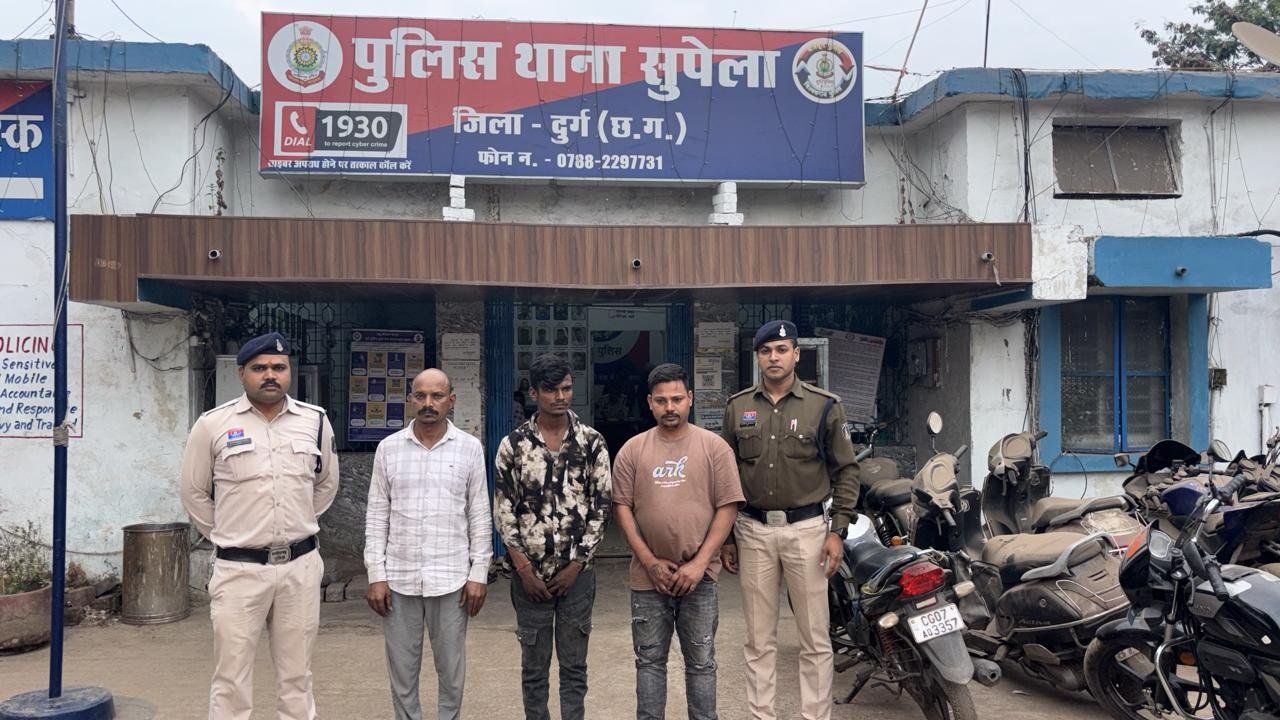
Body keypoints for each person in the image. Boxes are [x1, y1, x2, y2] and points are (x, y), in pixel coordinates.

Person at [180, 331, 339, 720]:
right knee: (231, 679)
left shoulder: (315, 421)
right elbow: (194, 492)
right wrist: (230, 534)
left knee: (297, 677)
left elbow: (326, 483)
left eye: (279, 367)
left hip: (299, 568)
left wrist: (297, 522)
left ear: (289, 372)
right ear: (242, 374)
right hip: (239, 570)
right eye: (260, 368)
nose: (270, 375)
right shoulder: (213, 424)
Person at [719, 320, 861, 720]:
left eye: (782, 350)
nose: (774, 357)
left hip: (807, 531)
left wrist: (837, 531)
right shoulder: (738, 407)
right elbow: (725, 474)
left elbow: (847, 471)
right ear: (757, 357)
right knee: (758, 639)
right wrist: (727, 536)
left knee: (814, 638)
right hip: (753, 530)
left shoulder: (824, 405)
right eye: (766, 351)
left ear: (797, 354)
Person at [612, 363, 744, 720]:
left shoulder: (714, 448)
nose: (669, 407)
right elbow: (622, 508)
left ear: (691, 399)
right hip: (647, 579)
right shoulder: (632, 450)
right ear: (649, 403)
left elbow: (728, 507)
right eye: (661, 400)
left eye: (676, 399)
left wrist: (699, 564)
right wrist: (650, 562)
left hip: (700, 579)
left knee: (701, 662)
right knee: (649, 661)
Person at [364, 368, 493, 720]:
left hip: (452, 578)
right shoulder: (388, 449)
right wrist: (376, 574)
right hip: (399, 577)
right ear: (410, 400)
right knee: (402, 670)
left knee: (451, 670)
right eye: (420, 396)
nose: (428, 403)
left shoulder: (469, 448)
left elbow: (479, 515)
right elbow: (377, 516)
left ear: (451, 400)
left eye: (437, 396)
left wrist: (478, 573)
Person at [494, 353, 612, 720]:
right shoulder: (513, 445)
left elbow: (601, 507)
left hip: (577, 577)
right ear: (534, 393)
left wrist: (577, 565)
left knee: (574, 667)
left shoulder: (591, 442)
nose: (560, 397)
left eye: (566, 388)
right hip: (529, 577)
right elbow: (503, 511)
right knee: (534, 668)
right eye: (551, 390)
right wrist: (523, 570)